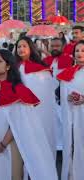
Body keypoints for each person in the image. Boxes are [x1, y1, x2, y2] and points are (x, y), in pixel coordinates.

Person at [0, 49, 58, 180]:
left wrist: (3, 144)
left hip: (10, 144)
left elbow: (19, 121)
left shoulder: (18, 90)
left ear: (8, 65)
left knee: (13, 175)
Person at [15, 37, 58, 163]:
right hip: (17, 110)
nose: (21, 49)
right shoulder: (12, 67)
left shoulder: (40, 69)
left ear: (30, 48)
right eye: (19, 47)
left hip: (36, 112)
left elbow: (45, 95)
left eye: (24, 46)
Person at [58, 40, 84, 180]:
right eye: (77, 51)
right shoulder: (68, 73)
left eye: (83, 51)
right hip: (74, 116)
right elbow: (64, 93)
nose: (79, 53)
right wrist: (69, 97)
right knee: (75, 145)